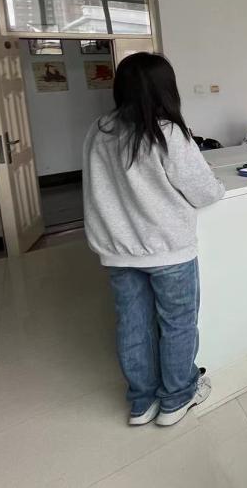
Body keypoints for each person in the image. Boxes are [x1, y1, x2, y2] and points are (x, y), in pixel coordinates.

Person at [83, 53, 225, 427]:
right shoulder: (167, 132)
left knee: (133, 324)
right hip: (168, 249)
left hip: (118, 250)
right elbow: (204, 191)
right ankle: (176, 398)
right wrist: (217, 184)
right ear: (166, 88)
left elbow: (96, 188)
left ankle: (141, 402)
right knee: (177, 323)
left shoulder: (100, 130)